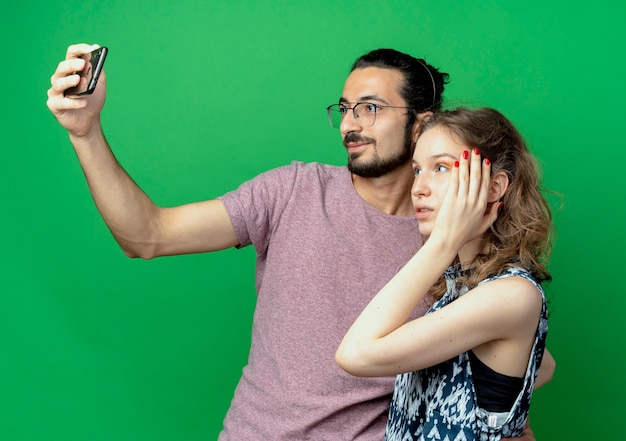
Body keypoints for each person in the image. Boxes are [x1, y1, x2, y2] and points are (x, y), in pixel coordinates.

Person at [46, 45, 552, 440]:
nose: (351, 124)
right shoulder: (293, 189)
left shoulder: (456, 245)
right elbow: (147, 235)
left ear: (422, 123)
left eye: (371, 108)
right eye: (346, 108)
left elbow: (515, 368)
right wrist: (85, 132)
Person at [336, 107, 553, 440]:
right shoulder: (466, 290)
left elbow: (355, 355)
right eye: (417, 170)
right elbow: (544, 365)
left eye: (440, 167)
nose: (418, 188)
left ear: (494, 186)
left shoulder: (511, 293)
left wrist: (440, 244)